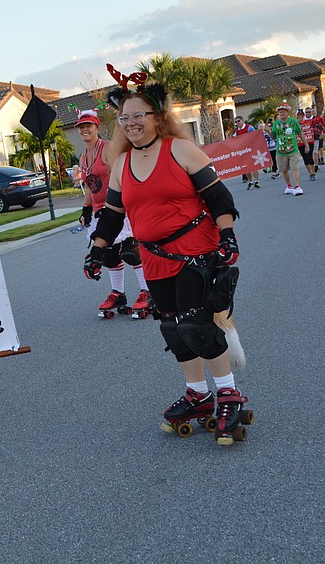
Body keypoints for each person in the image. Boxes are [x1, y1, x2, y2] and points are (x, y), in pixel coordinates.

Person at [87, 66, 247, 445]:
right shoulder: (121, 164)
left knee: (197, 325)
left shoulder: (181, 150)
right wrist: (96, 251)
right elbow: (112, 215)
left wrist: (227, 235)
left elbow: (219, 198)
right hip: (154, 258)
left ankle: (228, 394)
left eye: (138, 116)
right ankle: (198, 394)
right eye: (124, 118)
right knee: (173, 329)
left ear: (158, 116)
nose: (130, 123)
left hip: (195, 251)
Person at [75, 109, 151, 318]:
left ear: (96, 127)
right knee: (109, 255)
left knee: (131, 252)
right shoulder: (83, 157)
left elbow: (124, 174)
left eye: (88, 126)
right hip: (100, 211)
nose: (84, 130)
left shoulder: (108, 148)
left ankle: (147, 291)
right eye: (81, 127)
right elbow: (89, 186)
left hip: (119, 207)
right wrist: (86, 209)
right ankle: (118, 294)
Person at [270, 102, 309, 195]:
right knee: (284, 169)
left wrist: (306, 145)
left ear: (288, 113)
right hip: (280, 151)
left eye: (283, 112)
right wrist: (268, 131)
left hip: (293, 149)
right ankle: (289, 186)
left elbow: (300, 133)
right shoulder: (276, 123)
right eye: (280, 112)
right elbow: (273, 137)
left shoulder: (293, 122)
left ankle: (297, 186)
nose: (282, 114)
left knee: (295, 167)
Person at [232, 116, 260, 189]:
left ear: (242, 120)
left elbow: (255, 136)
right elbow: (234, 140)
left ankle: (257, 181)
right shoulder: (236, 131)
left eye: (238, 121)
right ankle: (250, 182)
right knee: (246, 167)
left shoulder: (249, 128)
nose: (237, 123)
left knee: (253, 166)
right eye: (236, 122)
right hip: (243, 151)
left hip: (251, 149)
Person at [299, 107, 318, 181]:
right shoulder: (295, 124)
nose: (300, 117)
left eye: (301, 116)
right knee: (305, 158)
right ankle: (310, 173)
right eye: (299, 116)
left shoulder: (309, 121)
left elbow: (318, 120)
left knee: (309, 156)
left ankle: (313, 172)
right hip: (300, 143)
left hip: (309, 141)